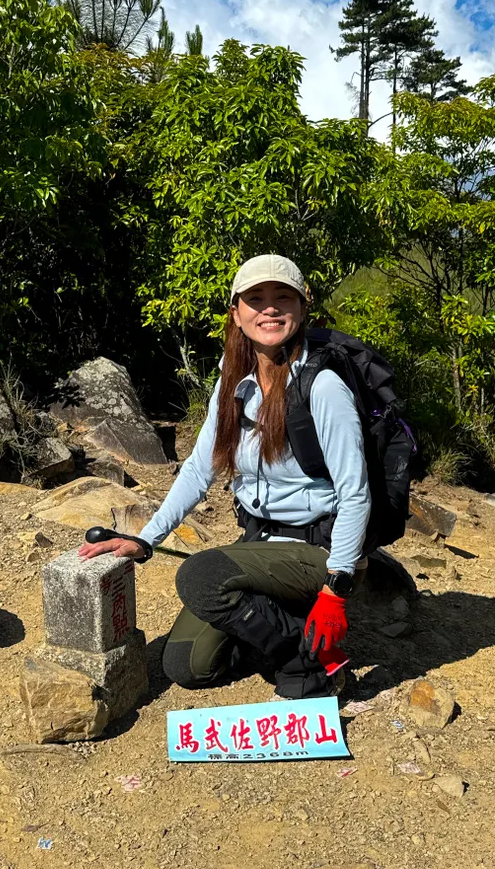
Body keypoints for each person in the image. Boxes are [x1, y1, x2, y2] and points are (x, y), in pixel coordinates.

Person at [79, 254, 371, 699]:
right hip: (263, 544)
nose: (269, 309)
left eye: (282, 297)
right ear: (236, 312)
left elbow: (355, 493)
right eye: (255, 299)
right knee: (187, 665)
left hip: (318, 549)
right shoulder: (235, 381)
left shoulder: (323, 386)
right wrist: (146, 539)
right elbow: (200, 468)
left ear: (303, 306)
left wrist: (337, 587)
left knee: (200, 576)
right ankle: (283, 622)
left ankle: (308, 660)